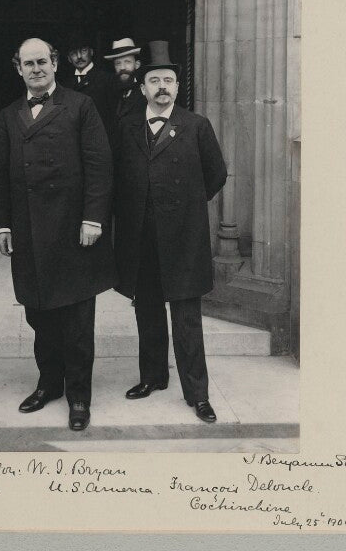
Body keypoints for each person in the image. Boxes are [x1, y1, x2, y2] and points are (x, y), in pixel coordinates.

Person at [0, 38, 114, 431]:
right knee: (38, 313)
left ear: (55, 63)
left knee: (77, 319)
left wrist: (94, 219)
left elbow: (99, 166)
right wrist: (3, 224)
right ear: (18, 69)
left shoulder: (81, 106)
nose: (36, 69)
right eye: (28, 63)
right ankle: (49, 384)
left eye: (42, 61)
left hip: (73, 230)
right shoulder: (9, 114)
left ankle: (79, 395)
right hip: (28, 229)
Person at [113, 40, 227, 423]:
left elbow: (216, 175)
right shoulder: (126, 127)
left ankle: (198, 394)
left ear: (178, 88)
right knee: (146, 309)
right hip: (141, 238)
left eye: (169, 81)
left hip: (183, 239)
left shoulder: (196, 126)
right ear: (143, 88)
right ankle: (152, 377)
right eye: (155, 80)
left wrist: (184, 210)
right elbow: (118, 180)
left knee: (186, 317)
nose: (162, 87)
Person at [61, 35, 114, 133]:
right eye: (74, 53)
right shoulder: (65, 86)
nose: (79, 56)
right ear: (69, 59)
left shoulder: (107, 79)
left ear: (92, 52)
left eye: (83, 51)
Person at [104, 37, 147, 122]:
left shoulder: (146, 92)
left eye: (127, 62)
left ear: (137, 64)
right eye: (118, 63)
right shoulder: (111, 91)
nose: (122, 67)